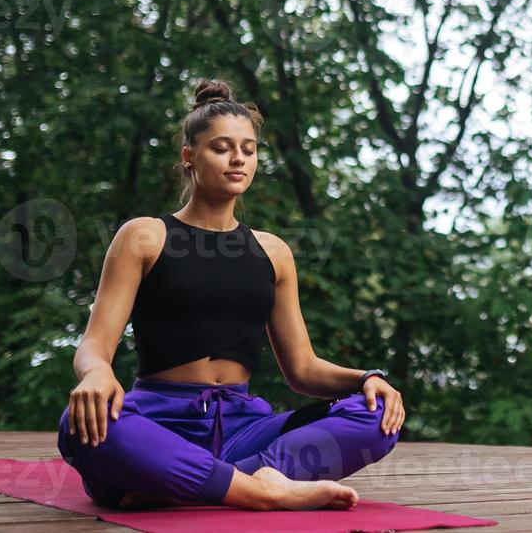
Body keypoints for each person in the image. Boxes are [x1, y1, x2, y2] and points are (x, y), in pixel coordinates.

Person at [56, 78, 405, 511]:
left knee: (375, 417)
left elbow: (302, 369)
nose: (238, 157)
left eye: (249, 148)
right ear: (190, 157)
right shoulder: (145, 237)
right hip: (158, 422)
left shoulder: (273, 252)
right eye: (221, 147)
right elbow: (94, 345)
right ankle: (260, 489)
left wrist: (368, 378)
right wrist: (96, 374)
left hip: (246, 429)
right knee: (80, 424)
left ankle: (188, 480)